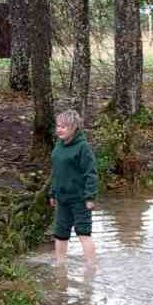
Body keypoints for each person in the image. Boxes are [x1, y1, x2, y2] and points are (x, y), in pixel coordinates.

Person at [49, 109, 98, 265]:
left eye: (64, 127)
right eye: (58, 126)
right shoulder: (58, 146)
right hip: (62, 199)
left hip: (80, 199)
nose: (59, 130)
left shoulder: (83, 147)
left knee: (83, 233)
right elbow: (56, 172)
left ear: (74, 127)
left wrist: (90, 197)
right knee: (60, 234)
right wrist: (52, 193)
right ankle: (60, 265)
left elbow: (91, 173)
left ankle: (91, 267)